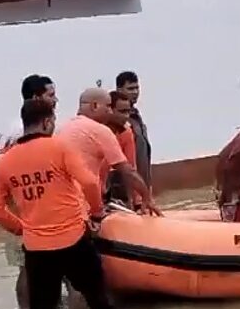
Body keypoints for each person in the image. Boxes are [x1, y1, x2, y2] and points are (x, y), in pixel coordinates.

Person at [0, 98, 125, 309]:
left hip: (37, 248)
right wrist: (96, 213)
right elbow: (88, 182)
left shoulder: (5, 162)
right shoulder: (60, 147)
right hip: (75, 239)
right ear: (48, 122)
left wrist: (22, 228)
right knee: (101, 303)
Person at [0, 74, 57, 309]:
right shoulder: (24, 130)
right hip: (23, 206)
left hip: (14, 205)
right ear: (37, 97)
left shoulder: (13, 125)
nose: (55, 99)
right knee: (27, 266)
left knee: (25, 265)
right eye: (51, 94)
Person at [57, 88, 162, 216]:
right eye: (107, 106)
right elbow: (127, 170)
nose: (110, 111)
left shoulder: (62, 128)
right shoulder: (100, 131)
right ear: (94, 106)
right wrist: (146, 197)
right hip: (83, 204)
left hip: (61, 202)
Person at [116, 71, 152, 190]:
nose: (135, 92)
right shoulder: (116, 120)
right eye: (130, 89)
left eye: (137, 88)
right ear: (119, 90)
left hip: (142, 182)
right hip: (126, 187)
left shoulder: (136, 116)